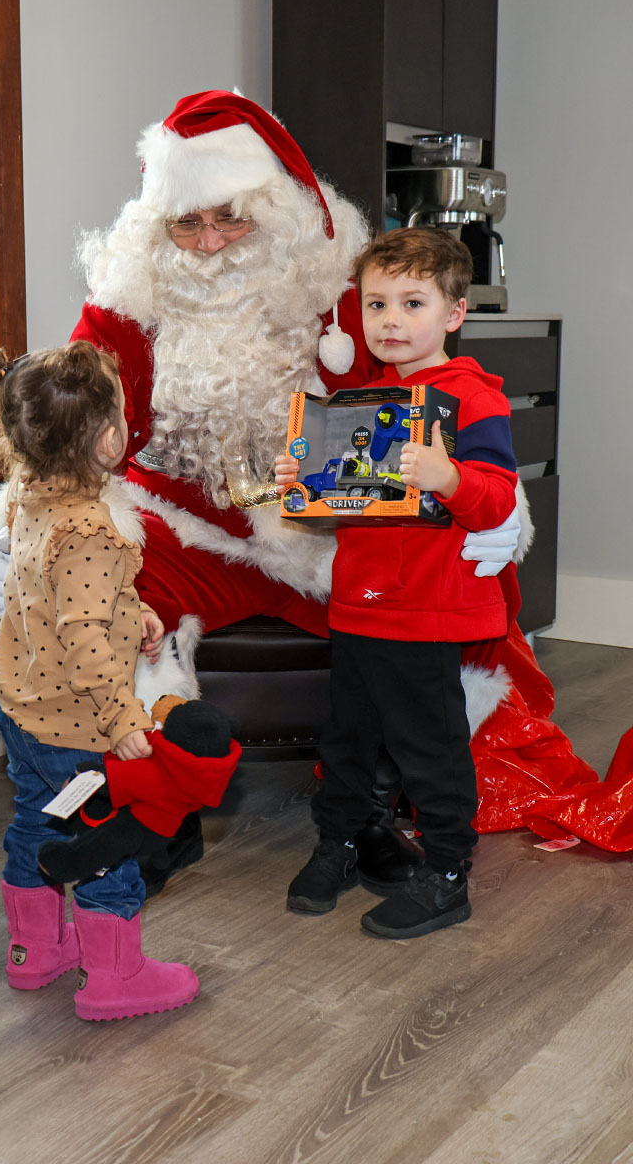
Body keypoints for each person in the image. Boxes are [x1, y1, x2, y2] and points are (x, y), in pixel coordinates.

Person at [0, 90, 590, 894]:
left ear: (276, 209)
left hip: (332, 532)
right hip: (185, 524)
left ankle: (374, 809)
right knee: (95, 591)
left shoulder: (349, 293)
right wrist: (21, 529)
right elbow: (61, 430)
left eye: (230, 218)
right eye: (186, 224)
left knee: (443, 611)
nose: (208, 244)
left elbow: (442, 409)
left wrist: (501, 509)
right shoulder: (131, 301)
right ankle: (157, 809)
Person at [280, 228, 518, 937]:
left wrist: (449, 477)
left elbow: (496, 500)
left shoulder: (475, 399)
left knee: (429, 749)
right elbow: (340, 510)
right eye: (376, 303)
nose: (390, 320)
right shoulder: (355, 402)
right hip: (358, 605)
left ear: (454, 312)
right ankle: (340, 842)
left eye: (413, 303)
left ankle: (446, 873)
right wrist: (304, 486)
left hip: (427, 610)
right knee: (346, 741)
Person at [0, 339, 199, 1021]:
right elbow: (85, 641)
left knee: (35, 821)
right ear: (107, 439)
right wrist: (125, 721)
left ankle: (34, 951)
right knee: (107, 844)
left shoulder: (28, 496)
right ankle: (115, 978)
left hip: (20, 709)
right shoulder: (92, 530)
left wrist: (135, 613)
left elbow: (54, 599)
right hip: (78, 726)